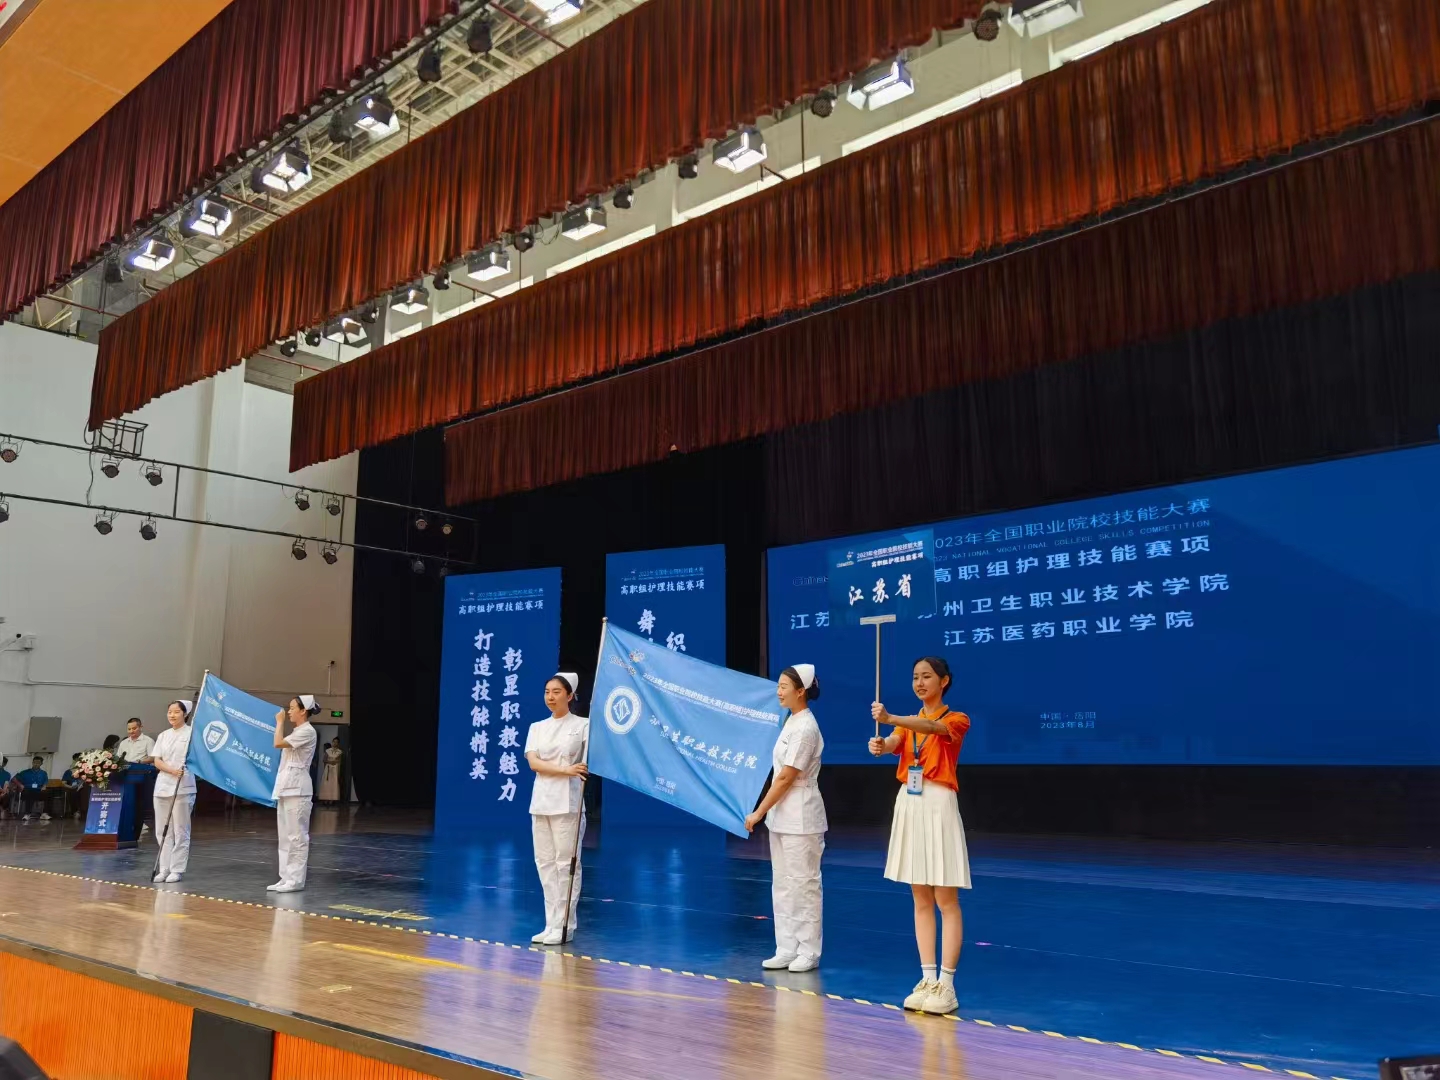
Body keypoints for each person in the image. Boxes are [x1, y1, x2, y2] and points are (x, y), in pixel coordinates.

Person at [869, 656, 972, 1017]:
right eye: (915, 677)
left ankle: (947, 984)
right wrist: (881, 744)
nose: (920, 682)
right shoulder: (909, 725)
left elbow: (930, 728)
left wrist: (891, 718)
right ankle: (927, 979)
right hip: (910, 803)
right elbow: (896, 741)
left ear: (944, 681)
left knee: (945, 897)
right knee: (920, 896)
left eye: (927, 676)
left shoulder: (956, 719)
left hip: (938, 803)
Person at [745, 664, 827, 973]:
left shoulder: (806, 728)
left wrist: (758, 811)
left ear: (800, 691)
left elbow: (785, 778)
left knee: (804, 884)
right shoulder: (791, 721)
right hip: (782, 816)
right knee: (782, 883)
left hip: (802, 816)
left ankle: (808, 950)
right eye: (778, 685)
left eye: (783, 686)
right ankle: (787, 947)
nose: (778, 691)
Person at [524, 672, 589, 945]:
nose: (550, 697)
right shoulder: (537, 727)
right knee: (545, 864)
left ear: (570, 695)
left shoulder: (584, 725)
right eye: (547, 692)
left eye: (557, 692)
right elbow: (534, 763)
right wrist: (566, 770)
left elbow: (586, 763)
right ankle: (550, 923)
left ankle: (565, 926)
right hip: (542, 801)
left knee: (567, 865)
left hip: (568, 803)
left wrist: (572, 771)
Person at [270, 695, 321, 893]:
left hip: (298, 790)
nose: (289, 711)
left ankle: (296, 880)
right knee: (284, 836)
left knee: (297, 836)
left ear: (303, 711)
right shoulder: (297, 731)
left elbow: (277, 743)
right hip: (286, 788)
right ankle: (285, 877)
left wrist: (279, 722)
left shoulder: (307, 731)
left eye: (292, 708)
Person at [151, 700, 196, 883]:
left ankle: (177, 869)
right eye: (170, 711)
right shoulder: (163, 735)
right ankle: (164, 868)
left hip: (183, 786)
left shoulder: (192, 734)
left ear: (185, 714)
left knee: (180, 830)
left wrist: (181, 771)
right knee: (162, 830)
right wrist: (171, 770)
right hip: (163, 786)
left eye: (176, 712)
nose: (172, 715)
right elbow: (157, 760)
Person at [118, 717, 157, 834]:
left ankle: (139, 824)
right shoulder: (124, 743)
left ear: (140, 727)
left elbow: (153, 758)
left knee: (139, 802)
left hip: (141, 775)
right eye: (129, 729)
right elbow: (118, 759)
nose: (131, 731)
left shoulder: (148, 741)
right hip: (125, 775)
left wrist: (139, 761)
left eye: (134, 728)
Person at [16, 756, 49, 822]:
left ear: (41, 763)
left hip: (38, 791)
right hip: (27, 790)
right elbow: (14, 779)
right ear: (32, 763)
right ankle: (27, 814)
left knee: (48, 793)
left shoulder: (44, 773)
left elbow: (45, 782)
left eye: (38, 763)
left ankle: (44, 814)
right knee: (29, 793)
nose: (36, 764)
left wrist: (44, 786)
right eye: (34, 762)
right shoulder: (25, 772)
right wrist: (20, 785)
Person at [317, 739, 343, 804]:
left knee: (333, 783)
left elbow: (339, 761)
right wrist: (330, 762)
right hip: (328, 768)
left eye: (336, 742)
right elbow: (324, 760)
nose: (335, 743)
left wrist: (338, 770)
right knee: (326, 783)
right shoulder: (328, 751)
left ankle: (332, 799)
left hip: (335, 768)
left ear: (338, 743)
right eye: (334, 742)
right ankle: (325, 799)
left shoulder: (339, 752)